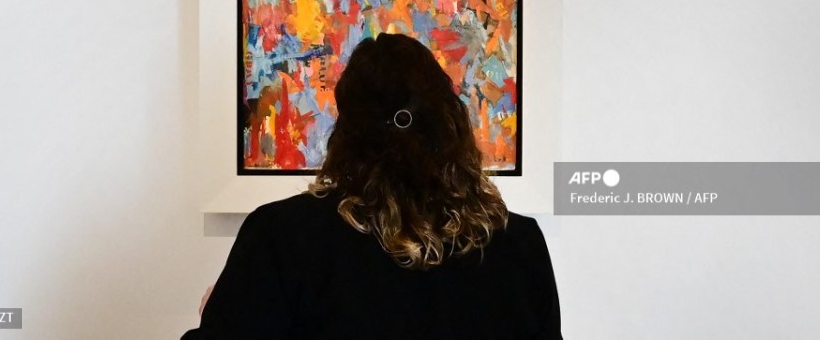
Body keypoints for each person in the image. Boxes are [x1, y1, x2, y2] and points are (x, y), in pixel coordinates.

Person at [182, 33, 561, 339]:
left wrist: (223, 314)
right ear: (450, 122)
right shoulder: (519, 245)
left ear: (346, 133)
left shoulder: (282, 237)